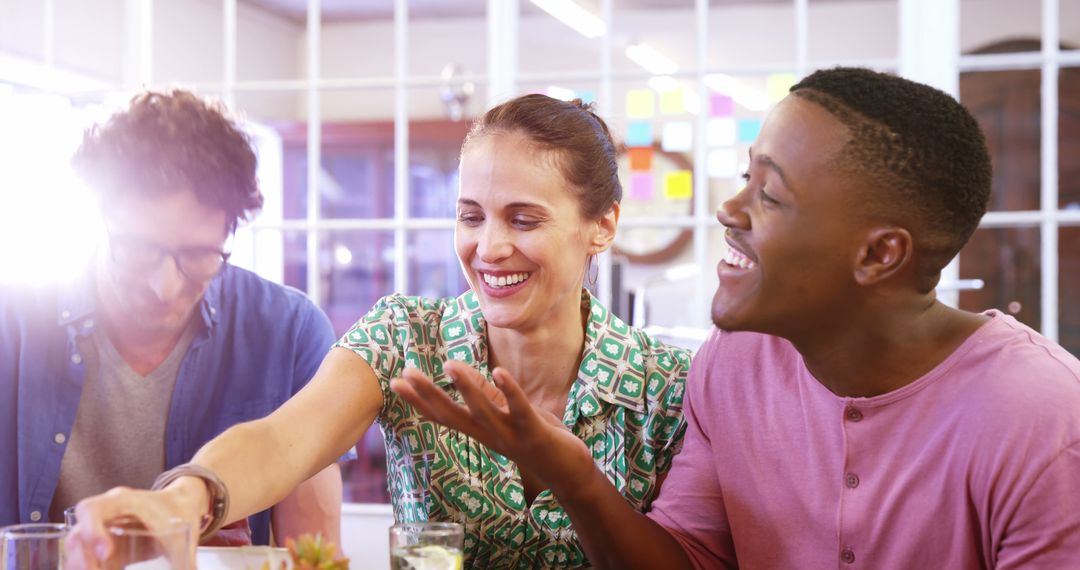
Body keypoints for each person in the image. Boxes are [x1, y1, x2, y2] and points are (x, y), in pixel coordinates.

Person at [389, 67, 1080, 568]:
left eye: (770, 196)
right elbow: (687, 561)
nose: (730, 209)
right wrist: (571, 475)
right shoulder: (734, 365)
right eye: (746, 176)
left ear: (879, 255)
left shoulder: (1041, 418)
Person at [64, 94, 691, 569]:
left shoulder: (667, 388)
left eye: (524, 219)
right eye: (471, 216)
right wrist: (186, 499)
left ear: (602, 224)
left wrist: (576, 480)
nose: (490, 247)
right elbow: (283, 440)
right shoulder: (405, 337)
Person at [0, 90, 343, 546]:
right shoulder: (13, 328)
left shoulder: (289, 332)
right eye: (140, 249)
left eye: (199, 255)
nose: (164, 285)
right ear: (101, 218)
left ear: (231, 231)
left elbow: (313, 554)